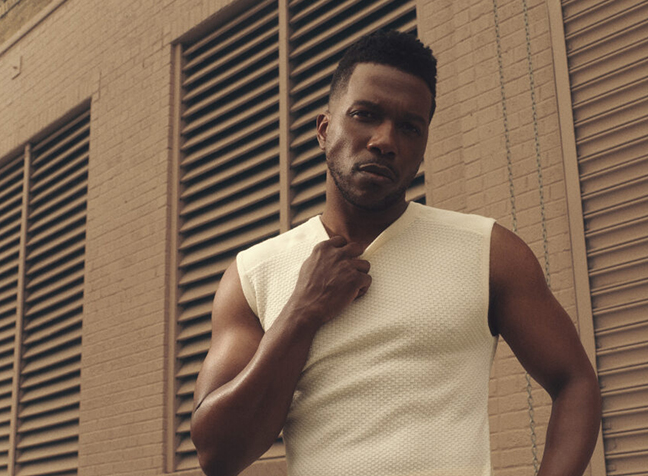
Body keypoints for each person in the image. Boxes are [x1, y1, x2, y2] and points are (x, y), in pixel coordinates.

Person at [190, 30, 601, 476]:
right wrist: (302, 312)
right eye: (366, 115)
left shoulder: (489, 252)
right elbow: (218, 456)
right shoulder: (255, 272)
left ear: (422, 146)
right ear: (325, 130)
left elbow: (575, 383)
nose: (385, 140)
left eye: (409, 126)